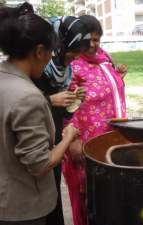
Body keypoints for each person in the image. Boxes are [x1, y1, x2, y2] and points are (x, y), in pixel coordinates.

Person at [0, 3, 79, 225]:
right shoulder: (28, 97)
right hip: (22, 209)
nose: (49, 59)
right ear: (39, 51)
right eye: (50, 52)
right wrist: (68, 138)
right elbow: (40, 164)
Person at [62, 15, 127, 225]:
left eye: (97, 39)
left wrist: (116, 77)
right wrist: (72, 140)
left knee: (109, 196)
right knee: (87, 198)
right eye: (88, 40)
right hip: (85, 142)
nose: (92, 45)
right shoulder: (71, 63)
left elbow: (100, 89)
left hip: (111, 139)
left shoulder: (104, 57)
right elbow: (64, 105)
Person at [32, 15, 91, 225]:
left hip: (53, 146)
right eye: (72, 52)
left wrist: (72, 102)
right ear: (59, 45)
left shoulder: (64, 70)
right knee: (40, 205)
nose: (73, 59)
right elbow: (26, 108)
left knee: (53, 196)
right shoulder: (35, 70)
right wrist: (50, 100)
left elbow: (60, 114)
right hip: (35, 150)